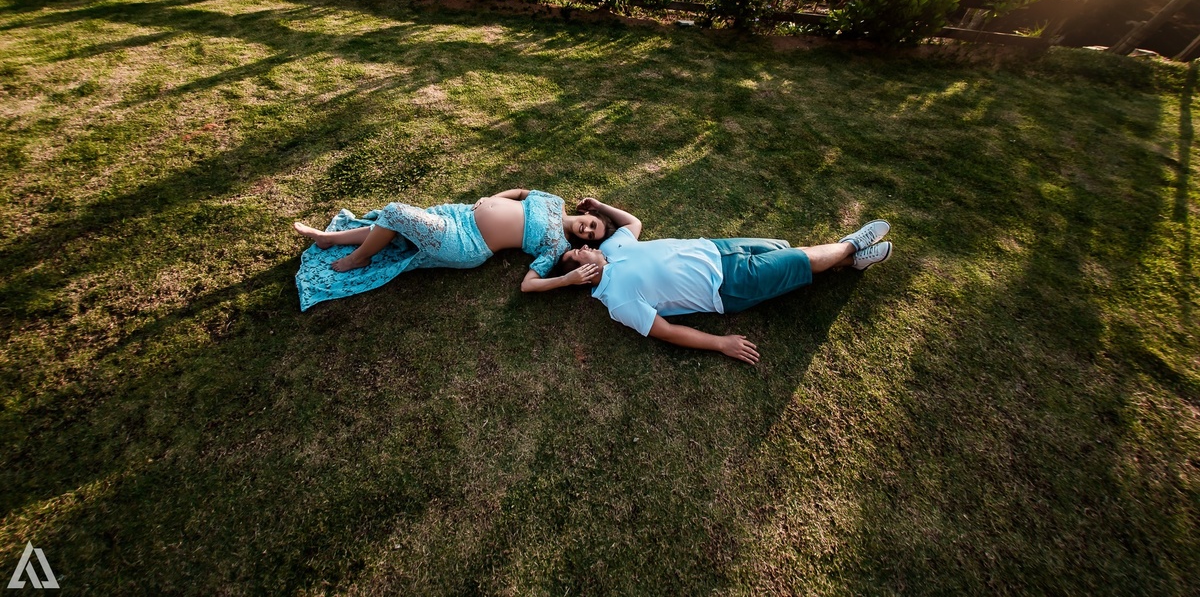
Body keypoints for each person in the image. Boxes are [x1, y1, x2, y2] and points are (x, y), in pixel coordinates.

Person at [558, 206, 893, 365]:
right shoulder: (617, 301)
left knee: (786, 250)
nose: (586, 247)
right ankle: (851, 244)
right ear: (583, 275)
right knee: (800, 261)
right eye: (579, 253)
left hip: (717, 247)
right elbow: (667, 331)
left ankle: (853, 260)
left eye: (581, 245)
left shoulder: (612, 247)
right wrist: (720, 343)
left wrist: (599, 207)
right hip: (728, 285)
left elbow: (633, 223)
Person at [293, 189, 618, 311]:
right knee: (400, 226)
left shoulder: (555, 246)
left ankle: (358, 257)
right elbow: (521, 192)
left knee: (396, 213)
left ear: (583, 242)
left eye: (592, 233)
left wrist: (567, 278)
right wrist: (493, 198)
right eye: (591, 223)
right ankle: (330, 240)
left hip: (467, 242)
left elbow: (528, 284)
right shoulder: (554, 200)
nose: (587, 229)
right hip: (461, 214)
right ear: (587, 215)